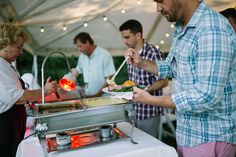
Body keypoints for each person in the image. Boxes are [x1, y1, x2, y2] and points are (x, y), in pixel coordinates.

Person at [126, 0, 236, 157]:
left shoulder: (211, 29)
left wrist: (150, 100)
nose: (158, 8)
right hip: (188, 135)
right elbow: (171, 67)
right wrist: (141, 62)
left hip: (209, 137)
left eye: (160, 1)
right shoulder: (181, 27)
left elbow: (206, 96)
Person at [0, 23, 58, 157]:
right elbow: (17, 97)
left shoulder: (7, 65)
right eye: (19, 47)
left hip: (13, 125)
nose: (21, 52)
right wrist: (44, 91)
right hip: (4, 128)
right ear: (5, 44)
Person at [119, 19, 168, 138]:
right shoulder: (129, 53)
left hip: (149, 111)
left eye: (127, 37)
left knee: (150, 149)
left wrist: (145, 92)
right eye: (123, 38)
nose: (124, 41)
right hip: (132, 110)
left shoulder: (153, 53)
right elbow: (132, 81)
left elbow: (164, 81)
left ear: (138, 35)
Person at [71, 32, 116, 97]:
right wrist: (71, 75)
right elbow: (77, 71)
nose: (79, 49)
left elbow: (110, 78)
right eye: (77, 47)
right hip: (88, 97)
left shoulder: (104, 54)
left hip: (105, 98)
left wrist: (98, 95)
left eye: (80, 46)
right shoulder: (82, 57)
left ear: (87, 42)